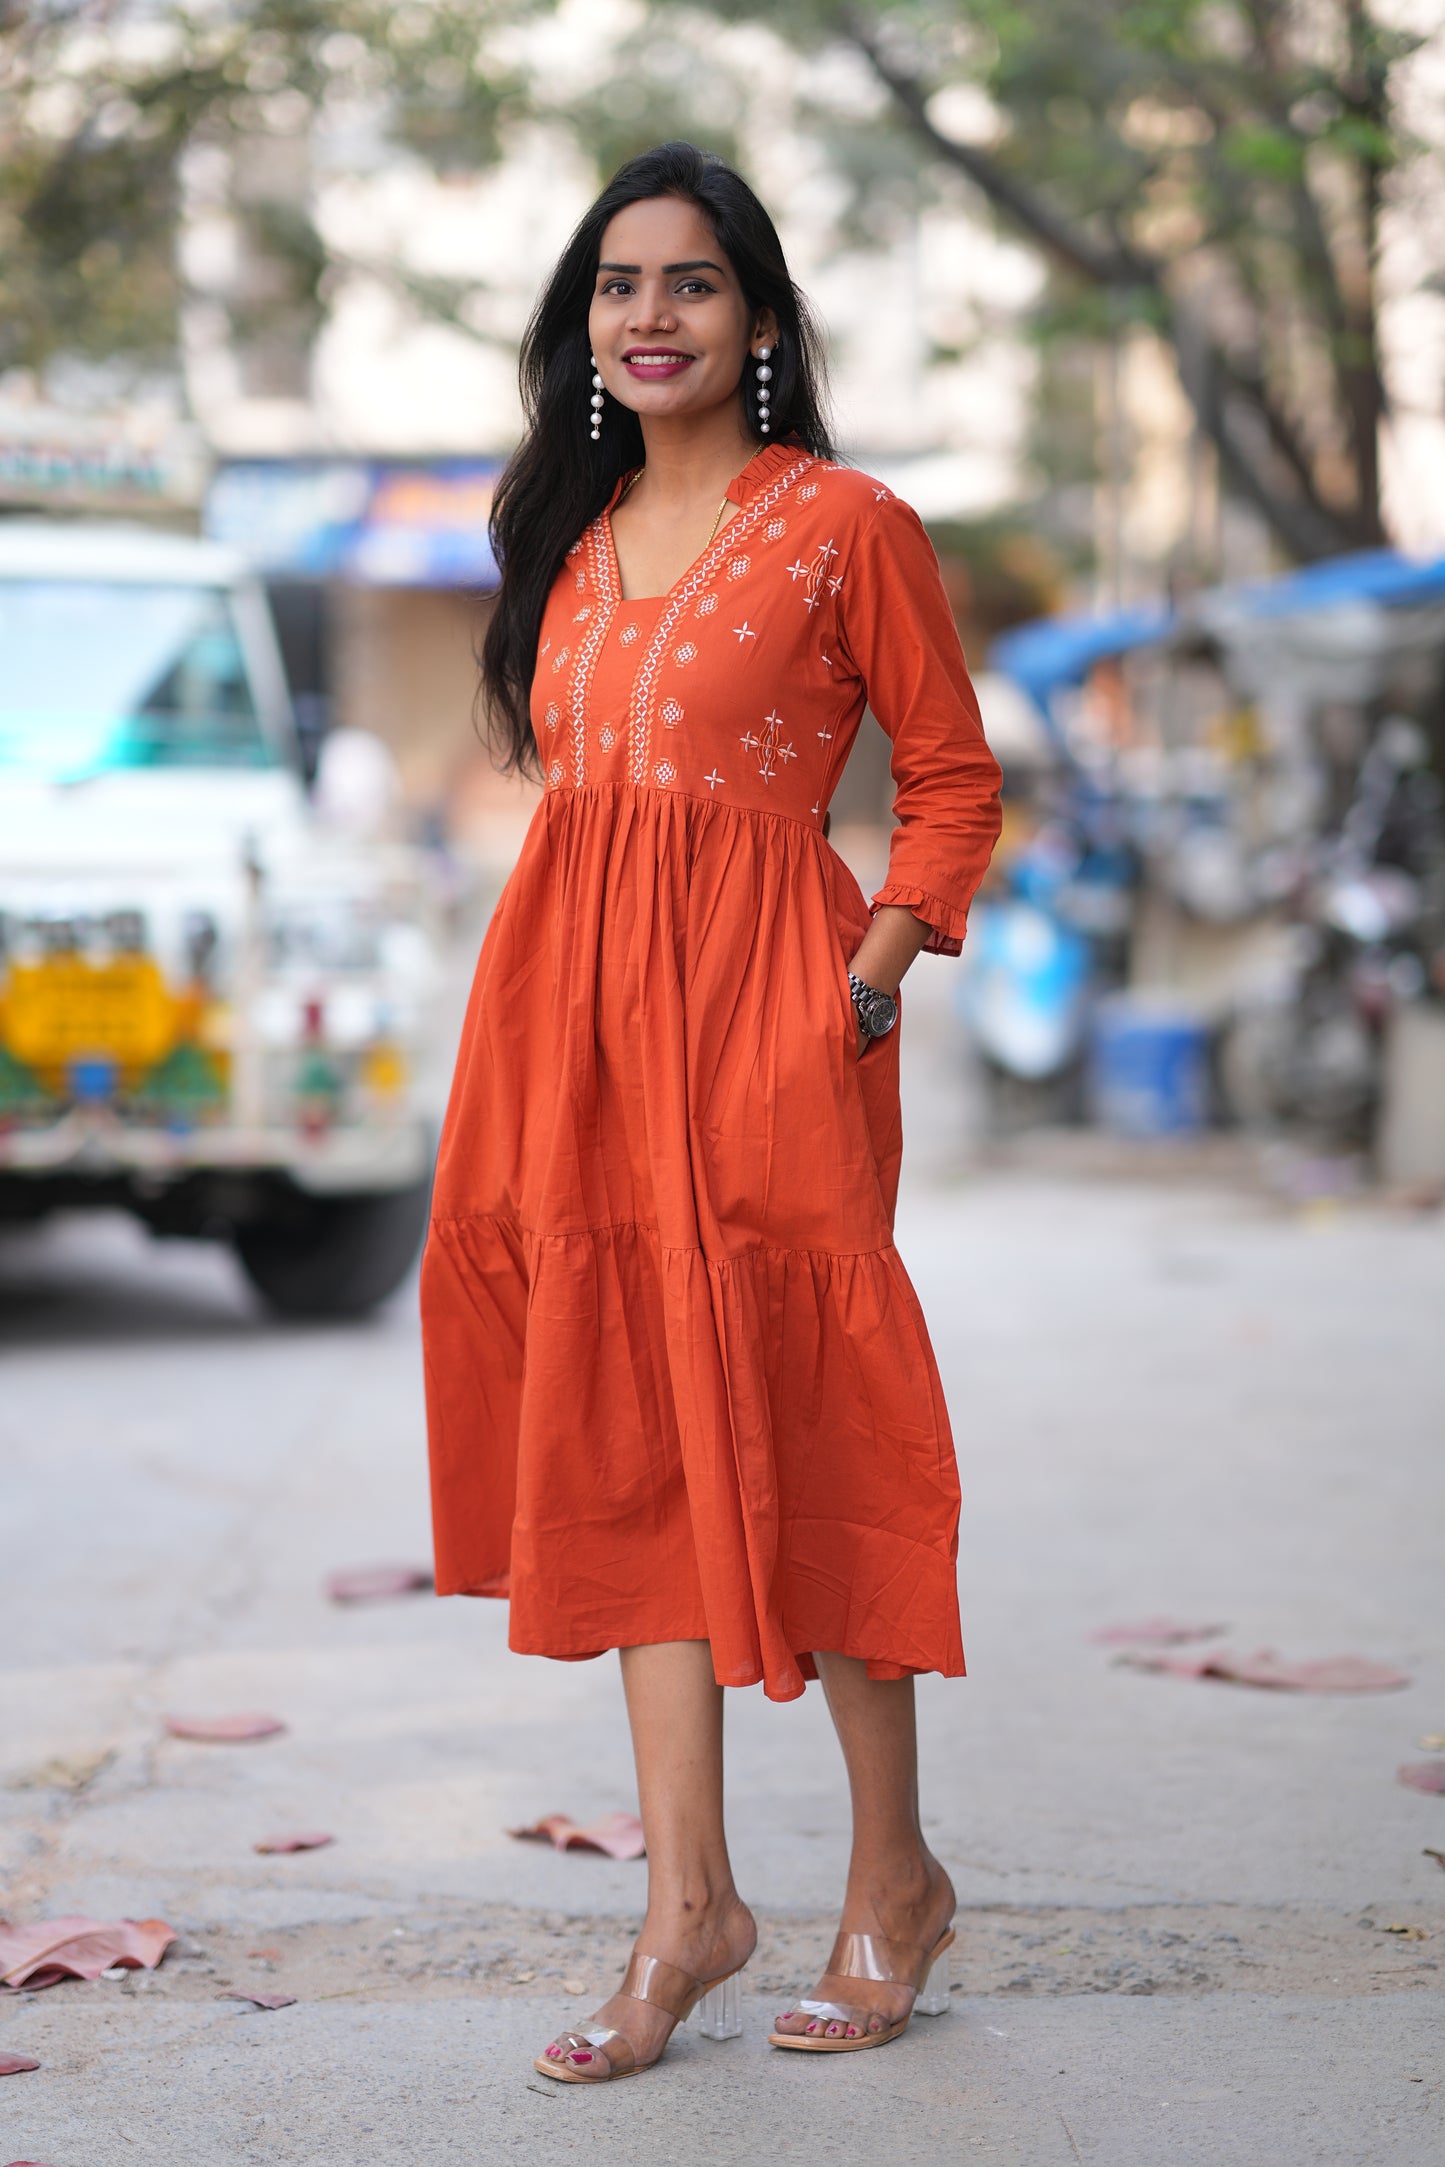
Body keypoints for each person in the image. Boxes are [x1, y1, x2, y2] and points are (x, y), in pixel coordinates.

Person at [421, 140, 1002, 2083]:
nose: (649, 315)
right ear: (583, 327)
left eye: (688, 282)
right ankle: (689, 1905)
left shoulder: (845, 521)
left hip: (771, 1023)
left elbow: (948, 779)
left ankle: (893, 1875)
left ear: (757, 317)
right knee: (625, 1430)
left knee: (808, 1412)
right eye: (616, 285)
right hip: (570, 1036)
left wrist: (861, 982)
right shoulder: (567, 543)